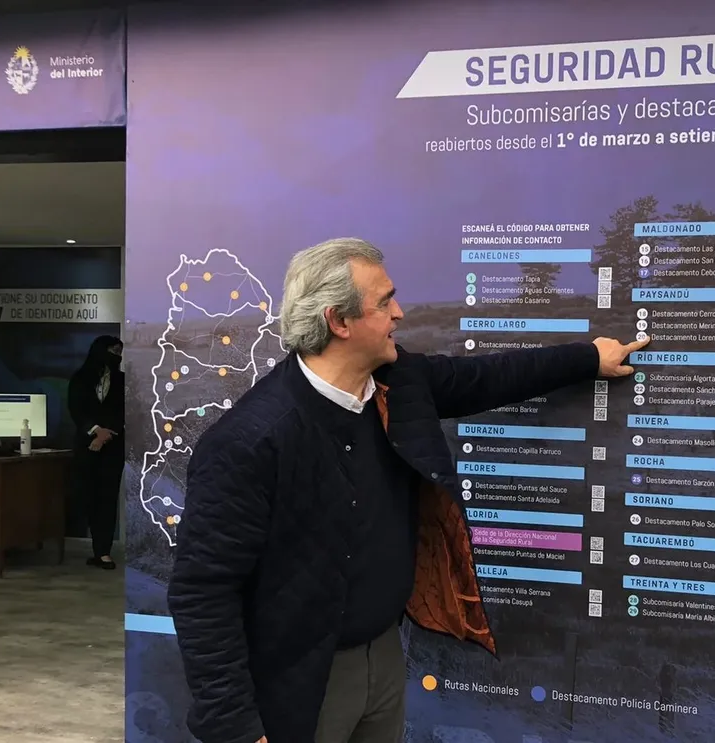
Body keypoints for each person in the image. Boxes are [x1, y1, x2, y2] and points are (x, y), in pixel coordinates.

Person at [168, 237, 650, 743]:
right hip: (298, 680)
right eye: (384, 301)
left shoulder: (400, 384)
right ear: (339, 322)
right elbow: (203, 591)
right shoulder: (251, 440)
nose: (399, 313)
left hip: (383, 657)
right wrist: (236, 730)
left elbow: (490, 377)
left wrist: (588, 360)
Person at [68, 335, 125, 570]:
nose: (117, 356)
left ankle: (104, 552)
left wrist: (105, 436)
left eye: (119, 351)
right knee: (89, 495)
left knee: (107, 497)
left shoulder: (123, 381)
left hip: (113, 448)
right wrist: (95, 431)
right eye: (113, 350)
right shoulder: (80, 379)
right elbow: (76, 409)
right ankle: (95, 546)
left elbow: (123, 411)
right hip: (86, 446)